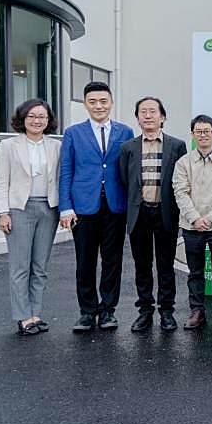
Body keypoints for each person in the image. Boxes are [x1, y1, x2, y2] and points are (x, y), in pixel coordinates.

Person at [60, 81, 134, 332]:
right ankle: (87, 311)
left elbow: (129, 169)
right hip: (83, 206)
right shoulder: (73, 133)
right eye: (92, 102)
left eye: (103, 101)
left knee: (113, 261)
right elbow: (66, 170)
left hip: (115, 205)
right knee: (85, 261)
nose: (98, 106)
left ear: (111, 102)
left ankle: (108, 310)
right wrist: (65, 207)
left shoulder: (125, 132)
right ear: (85, 104)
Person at [119, 97, 187, 332]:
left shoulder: (176, 146)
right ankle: (145, 311)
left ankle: (167, 311)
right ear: (137, 118)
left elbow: (181, 179)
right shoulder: (128, 148)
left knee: (166, 265)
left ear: (162, 117)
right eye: (143, 112)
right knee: (142, 265)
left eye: (152, 111)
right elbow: (125, 179)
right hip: (139, 213)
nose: (148, 116)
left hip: (165, 212)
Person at [0, 99, 61, 335]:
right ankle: (23, 317)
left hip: (48, 209)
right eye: (31, 116)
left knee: (40, 266)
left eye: (42, 116)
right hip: (19, 209)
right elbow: (1, 181)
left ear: (48, 120)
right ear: (22, 119)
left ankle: (35, 314)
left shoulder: (56, 146)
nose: (36, 121)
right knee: (20, 266)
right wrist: (2, 212)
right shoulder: (9, 145)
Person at [172, 115, 212, 330]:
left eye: (207, 131)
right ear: (192, 135)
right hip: (191, 226)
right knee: (195, 271)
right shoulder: (183, 162)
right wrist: (195, 218)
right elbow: (180, 192)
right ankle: (197, 311)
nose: (203, 135)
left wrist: (210, 218)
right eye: (198, 131)